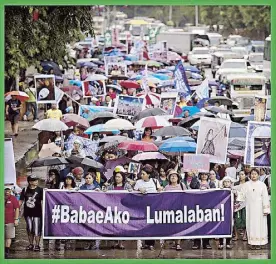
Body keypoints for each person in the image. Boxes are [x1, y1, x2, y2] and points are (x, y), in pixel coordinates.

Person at [239, 168, 270, 250]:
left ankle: (261, 243)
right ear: (250, 175)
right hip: (250, 208)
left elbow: (265, 197)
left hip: (260, 208)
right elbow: (241, 196)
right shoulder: (246, 185)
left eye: (255, 174)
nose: (253, 175)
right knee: (251, 224)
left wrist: (266, 209)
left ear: (258, 175)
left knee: (260, 225)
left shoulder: (262, 185)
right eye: (252, 174)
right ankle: (252, 243)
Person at [134, 164, 162, 250]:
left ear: (148, 174)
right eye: (141, 174)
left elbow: (159, 190)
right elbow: (133, 192)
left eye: (143, 174)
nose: (142, 175)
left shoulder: (155, 181)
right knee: (143, 224)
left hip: (153, 206)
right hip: (142, 206)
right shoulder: (138, 182)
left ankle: (151, 243)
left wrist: (160, 189)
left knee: (151, 224)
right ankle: (145, 243)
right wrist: (139, 190)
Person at [190, 172, 215, 250]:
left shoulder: (211, 183)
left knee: (206, 225)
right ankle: (196, 242)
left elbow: (215, 193)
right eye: (202, 174)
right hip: (197, 206)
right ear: (200, 175)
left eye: (205, 174)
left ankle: (206, 242)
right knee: (196, 225)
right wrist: (194, 176)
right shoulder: (197, 182)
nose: (204, 176)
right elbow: (192, 186)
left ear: (208, 176)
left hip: (208, 206)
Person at [19, 175, 43, 252]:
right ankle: (31, 244)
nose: (36, 182)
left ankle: (37, 245)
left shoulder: (40, 190)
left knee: (37, 229)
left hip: (37, 213)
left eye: (36, 180)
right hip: (27, 213)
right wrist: (16, 208)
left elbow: (44, 201)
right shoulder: (25, 189)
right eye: (34, 180)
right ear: (30, 182)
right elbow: (21, 201)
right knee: (29, 229)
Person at [164, 170, 186, 251]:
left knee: (179, 227)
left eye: (175, 176)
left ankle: (178, 244)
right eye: (171, 176)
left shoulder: (182, 185)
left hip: (179, 209)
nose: (173, 177)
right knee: (172, 227)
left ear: (178, 177)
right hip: (169, 210)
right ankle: (174, 242)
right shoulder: (166, 187)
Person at [218, 176, 234, 250]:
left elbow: (238, 198)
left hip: (229, 211)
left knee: (229, 226)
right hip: (222, 211)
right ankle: (220, 242)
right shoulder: (220, 190)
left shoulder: (232, 190)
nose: (227, 183)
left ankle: (228, 242)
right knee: (221, 226)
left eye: (228, 182)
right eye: (225, 182)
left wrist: (234, 192)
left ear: (231, 183)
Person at [233, 171, 248, 241]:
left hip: (246, 204)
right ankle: (236, 235)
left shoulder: (248, 184)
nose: (241, 176)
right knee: (236, 220)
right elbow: (232, 191)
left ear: (245, 175)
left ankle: (245, 235)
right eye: (239, 174)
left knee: (245, 219)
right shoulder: (235, 184)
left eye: (242, 174)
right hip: (237, 205)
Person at [5, 186, 20, 258]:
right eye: (5, 190)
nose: (7, 192)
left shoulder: (13, 198)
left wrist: (16, 219)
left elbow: (17, 208)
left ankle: (6, 251)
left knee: (8, 237)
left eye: (8, 190)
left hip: (10, 221)